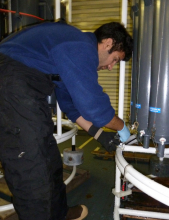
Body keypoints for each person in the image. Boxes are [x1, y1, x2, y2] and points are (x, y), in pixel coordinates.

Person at [0, 20, 133, 220]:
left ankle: (60, 214)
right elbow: (94, 107)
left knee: (49, 157)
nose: (111, 67)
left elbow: (72, 107)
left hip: (22, 85)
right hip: (10, 81)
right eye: (115, 59)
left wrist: (100, 136)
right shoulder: (79, 46)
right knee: (31, 165)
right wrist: (122, 127)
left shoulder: (70, 52)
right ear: (107, 43)